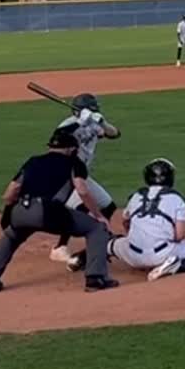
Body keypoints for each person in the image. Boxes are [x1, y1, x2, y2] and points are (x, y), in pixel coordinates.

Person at [0, 125, 122, 293]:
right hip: (48, 212)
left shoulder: (33, 161)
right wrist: (98, 215)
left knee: (11, 236)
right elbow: (82, 190)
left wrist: (9, 214)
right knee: (97, 229)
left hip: (21, 209)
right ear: (71, 148)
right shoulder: (74, 162)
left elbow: (10, 193)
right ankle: (95, 278)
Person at [105, 158, 185, 281]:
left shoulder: (136, 196)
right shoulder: (177, 199)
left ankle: (83, 258)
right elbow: (179, 236)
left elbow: (126, 222)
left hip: (132, 255)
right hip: (161, 255)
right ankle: (174, 266)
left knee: (110, 244)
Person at [48, 93, 121, 267]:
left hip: (83, 174)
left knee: (108, 206)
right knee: (78, 209)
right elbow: (59, 136)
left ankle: (96, 243)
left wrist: (101, 122)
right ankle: (61, 247)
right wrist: (79, 122)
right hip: (67, 175)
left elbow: (115, 134)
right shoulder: (68, 125)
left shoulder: (93, 124)